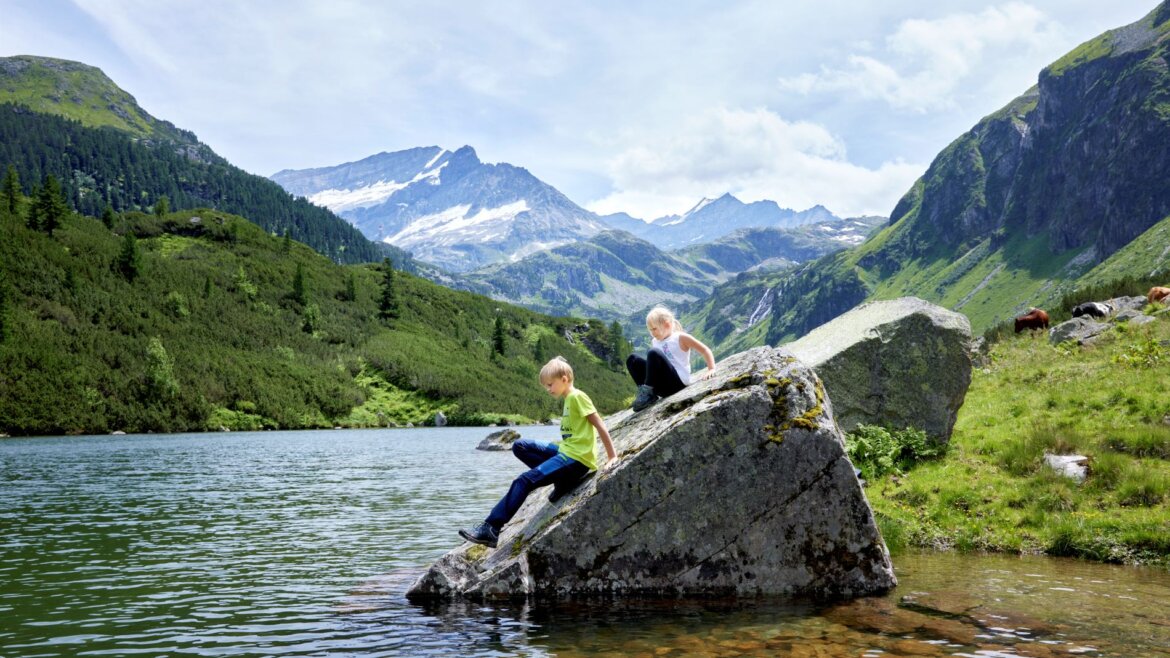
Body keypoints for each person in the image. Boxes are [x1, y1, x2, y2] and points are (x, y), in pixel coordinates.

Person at [459, 356, 617, 549]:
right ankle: (561, 482)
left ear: (564, 379)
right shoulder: (568, 399)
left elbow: (600, 424)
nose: (548, 389)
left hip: (576, 459)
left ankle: (491, 528)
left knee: (524, 481)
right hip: (566, 451)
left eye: (550, 385)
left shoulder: (578, 397)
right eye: (546, 386)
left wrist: (612, 456)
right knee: (520, 445)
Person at [626, 306, 716, 412]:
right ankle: (647, 395)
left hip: (678, 383)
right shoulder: (655, 341)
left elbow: (705, 350)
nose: (652, 333)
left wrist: (711, 368)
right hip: (663, 387)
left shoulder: (680, 337)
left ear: (667, 325)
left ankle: (647, 391)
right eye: (650, 330)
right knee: (632, 359)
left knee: (653, 353)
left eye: (654, 329)